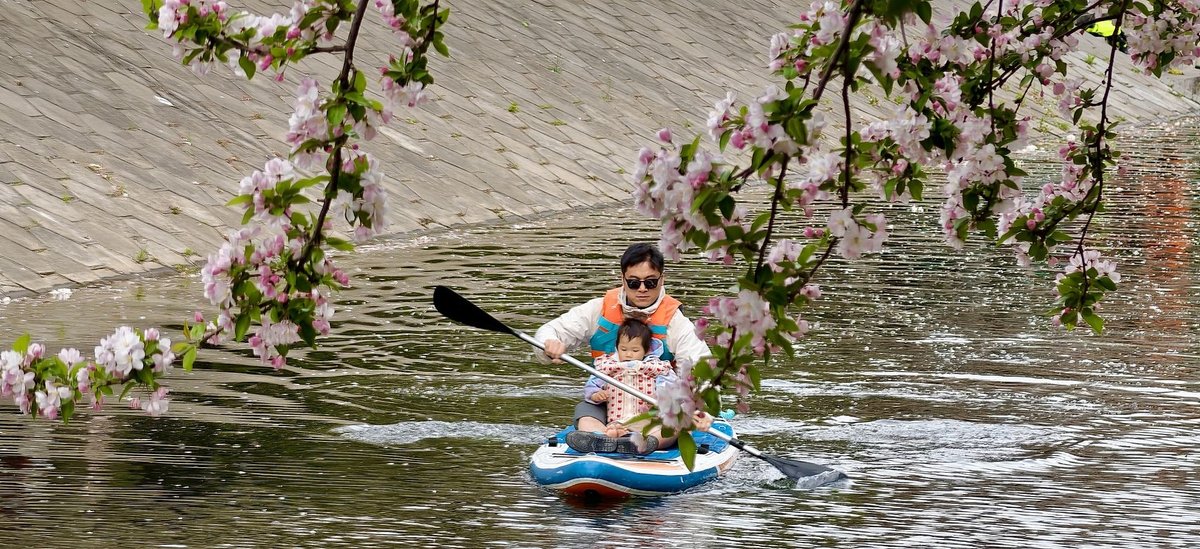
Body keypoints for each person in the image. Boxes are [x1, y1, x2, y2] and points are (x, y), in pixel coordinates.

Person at [535, 242, 712, 453]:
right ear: (623, 280)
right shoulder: (598, 309)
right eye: (634, 283)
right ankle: (600, 438)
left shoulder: (676, 322)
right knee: (586, 410)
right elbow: (550, 331)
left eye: (651, 282)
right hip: (608, 400)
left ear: (661, 280)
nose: (643, 289)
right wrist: (550, 343)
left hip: (657, 404)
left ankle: (647, 442)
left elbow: (701, 366)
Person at [566, 318, 673, 453]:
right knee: (587, 418)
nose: (628, 354)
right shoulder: (607, 367)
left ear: (646, 351)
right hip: (616, 422)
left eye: (635, 350)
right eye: (623, 349)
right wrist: (595, 395)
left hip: (648, 423)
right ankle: (602, 437)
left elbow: (671, 388)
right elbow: (591, 385)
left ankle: (648, 442)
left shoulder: (657, 368)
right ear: (617, 347)